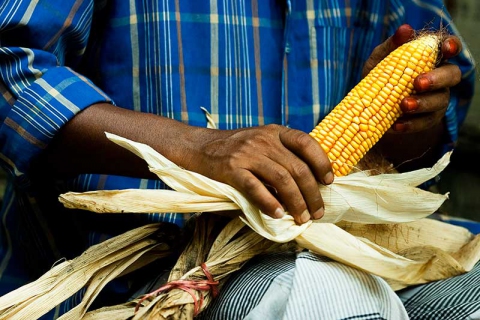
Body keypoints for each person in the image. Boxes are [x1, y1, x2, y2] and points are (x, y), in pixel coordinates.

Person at [0, 0, 477, 319]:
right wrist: (193, 147)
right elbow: (9, 63)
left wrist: (404, 123)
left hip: (341, 249)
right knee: (316, 299)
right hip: (146, 277)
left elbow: (426, 146)